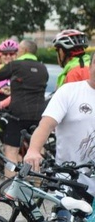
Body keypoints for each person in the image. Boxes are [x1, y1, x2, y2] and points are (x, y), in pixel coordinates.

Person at [0, 39, 48, 177]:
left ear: (24, 50)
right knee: (37, 149)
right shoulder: (43, 68)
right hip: (39, 116)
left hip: (18, 115)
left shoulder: (16, 65)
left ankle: (10, 186)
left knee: (11, 151)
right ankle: (38, 184)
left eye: (19, 49)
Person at [24, 56, 95, 194]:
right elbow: (46, 125)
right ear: (90, 66)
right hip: (68, 184)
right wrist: (33, 150)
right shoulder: (69, 91)